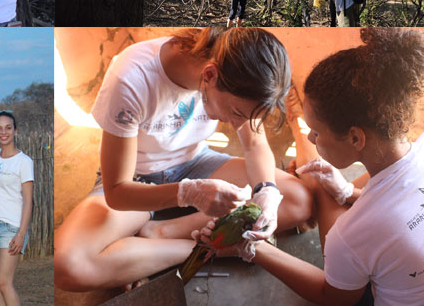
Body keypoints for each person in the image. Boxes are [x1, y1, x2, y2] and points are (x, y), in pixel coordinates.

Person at [197, 28, 424, 305]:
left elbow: (333, 298)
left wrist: (251, 248)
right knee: (323, 184)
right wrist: (347, 191)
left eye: (316, 132)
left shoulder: (350, 235)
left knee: (321, 192)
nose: (311, 138)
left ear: (355, 137)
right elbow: (409, 204)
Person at [53, 28, 312, 291]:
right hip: (136, 178)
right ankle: (215, 248)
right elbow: (117, 191)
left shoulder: (239, 67)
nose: (237, 124)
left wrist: (266, 191)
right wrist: (189, 193)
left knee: (298, 199)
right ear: (209, 75)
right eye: (235, 112)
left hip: (197, 161)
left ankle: (160, 233)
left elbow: (255, 143)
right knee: (69, 266)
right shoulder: (132, 77)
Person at [0, 111, 34, 306]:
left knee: (5, 282)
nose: (4, 132)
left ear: (15, 131)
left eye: (8, 128)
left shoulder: (24, 162)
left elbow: (28, 201)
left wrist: (21, 234)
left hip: (11, 228)